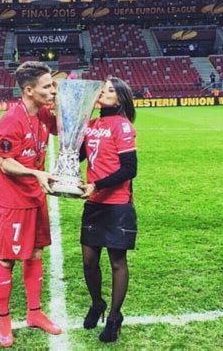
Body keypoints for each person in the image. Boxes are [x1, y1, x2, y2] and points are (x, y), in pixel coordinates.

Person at [0, 61, 61, 347]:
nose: (52, 90)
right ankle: (4, 320)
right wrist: (36, 172)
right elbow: (6, 164)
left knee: (34, 253)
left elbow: (66, 130)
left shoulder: (43, 113)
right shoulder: (9, 121)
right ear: (29, 90)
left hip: (35, 197)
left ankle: (34, 313)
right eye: (47, 86)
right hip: (12, 202)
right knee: (8, 258)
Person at [79, 77, 138, 342]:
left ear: (120, 99)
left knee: (117, 262)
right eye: (102, 89)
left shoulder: (123, 126)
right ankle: (97, 303)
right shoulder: (91, 125)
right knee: (89, 262)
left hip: (116, 204)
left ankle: (114, 317)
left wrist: (97, 185)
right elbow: (76, 154)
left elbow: (129, 169)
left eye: (110, 90)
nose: (103, 92)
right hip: (94, 205)